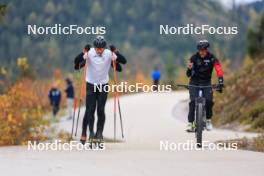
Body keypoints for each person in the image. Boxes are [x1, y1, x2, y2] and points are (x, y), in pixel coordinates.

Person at [74, 36, 126, 144]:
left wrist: (115, 51)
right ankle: (90, 133)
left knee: (101, 110)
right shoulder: (90, 52)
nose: (99, 50)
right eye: (97, 48)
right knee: (90, 110)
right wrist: (83, 51)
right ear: (94, 47)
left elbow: (124, 61)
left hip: (103, 85)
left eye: (101, 48)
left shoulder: (108, 53)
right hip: (91, 85)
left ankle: (99, 133)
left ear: (104, 48)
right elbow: (76, 62)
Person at [186, 40, 224, 132]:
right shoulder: (193, 58)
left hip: (206, 82)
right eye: (200, 50)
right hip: (194, 82)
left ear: (206, 50)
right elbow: (188, 74)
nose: (202, 52)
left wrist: (220, 81)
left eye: (203, 50)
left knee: (209, 101)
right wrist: (189, 69)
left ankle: (208, 120)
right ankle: (190, 123)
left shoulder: (212, 58)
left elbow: (218, 69)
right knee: (192, 102)